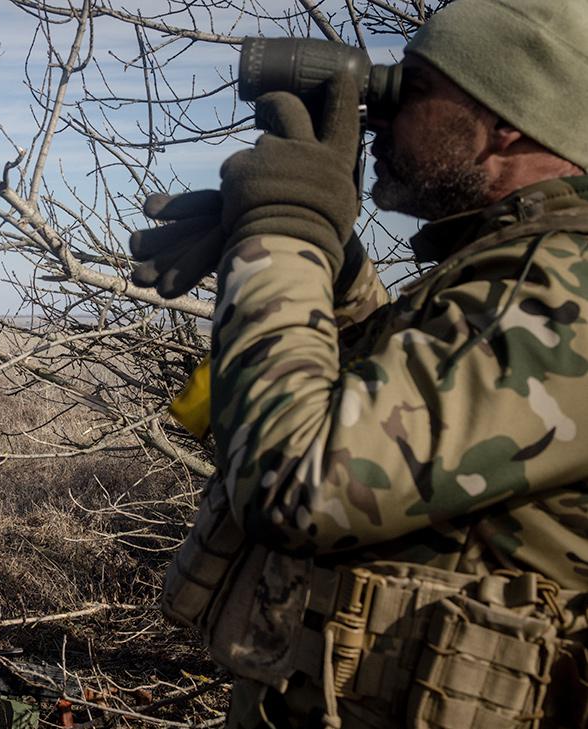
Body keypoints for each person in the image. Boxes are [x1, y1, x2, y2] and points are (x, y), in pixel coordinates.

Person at [133, 1, 588, 726]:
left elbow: (302, 476)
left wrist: (285, 231)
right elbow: (394, 408)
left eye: (411, 89)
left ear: (507, 118)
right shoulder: (520, 271)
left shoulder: (567, 288)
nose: (375, 116)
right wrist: (329, 257)